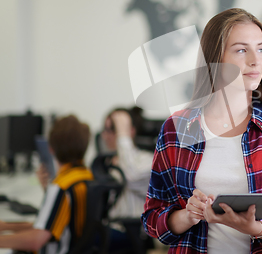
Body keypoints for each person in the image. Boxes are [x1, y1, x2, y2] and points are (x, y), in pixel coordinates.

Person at [141, 8, 262, 253]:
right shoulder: (178, 128)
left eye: (261, 48)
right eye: (242, 50)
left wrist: (258, 229)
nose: (256, 60)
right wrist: (187, 216)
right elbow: (152, 219)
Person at [0, 115, 94, 254]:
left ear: (50, 148)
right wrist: (6, 226)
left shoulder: (61, 186)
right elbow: (48, 226)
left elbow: (37, 239)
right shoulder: (85, 176)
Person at [100, 107, 155, 253]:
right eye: (105, 130)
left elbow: (130, 176)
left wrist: (123, 135)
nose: (106, 136)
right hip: (108, 227)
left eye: (112, 129)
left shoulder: (147, 160)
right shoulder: (105, 162)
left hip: (131, 233)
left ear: (131, 131)